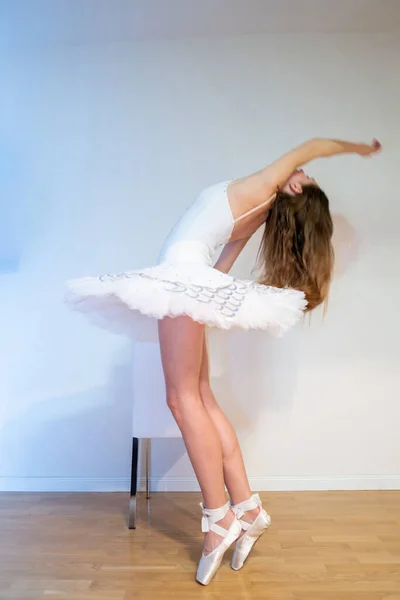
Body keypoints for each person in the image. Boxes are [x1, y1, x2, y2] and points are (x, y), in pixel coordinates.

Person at [67, 137, 381, 585]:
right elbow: (222, 263)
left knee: (182, 399)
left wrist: (356, 147)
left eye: (305, 176)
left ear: (294, 191)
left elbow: (312, 145)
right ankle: (248, 508)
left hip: (182, 278)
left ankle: (219, 519)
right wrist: (202, 298)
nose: (302, 172)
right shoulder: (260, 203)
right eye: (306, 173)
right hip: (190, 281)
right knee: (199, 396)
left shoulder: (265, 186)